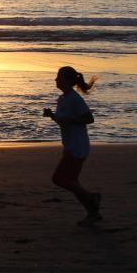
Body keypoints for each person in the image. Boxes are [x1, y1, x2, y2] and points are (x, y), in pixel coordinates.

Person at [43, 66, 101, 226]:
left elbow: (89, 119)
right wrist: (52, 115)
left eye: (59, 77)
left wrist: (72, 120)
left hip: (77, 146)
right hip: (70, 144)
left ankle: (92, 197)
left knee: (59, 178)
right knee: (72, 181)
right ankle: (93, 213)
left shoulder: (75, 99)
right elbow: (63, 122)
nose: (55, 79)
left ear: (67, 80)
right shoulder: (62, 99)